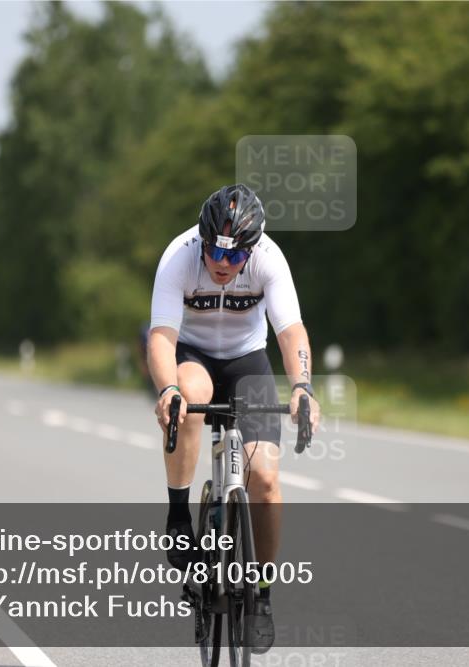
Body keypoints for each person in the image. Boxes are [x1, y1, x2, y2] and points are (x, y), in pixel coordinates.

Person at [148, 183, 320, 654]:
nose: (222, 266)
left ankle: (261, 596)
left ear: (252, 250)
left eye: (234, 259)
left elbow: (290, 331)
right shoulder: (179, 257)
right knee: (190, 399)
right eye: (214, 255)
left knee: (264, 477)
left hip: (248, 360)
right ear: (202, 243)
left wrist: (302, 387)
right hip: (193, 356)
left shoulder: (270, 258)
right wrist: (168, 390)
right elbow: (162, 335)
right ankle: (180, 513)